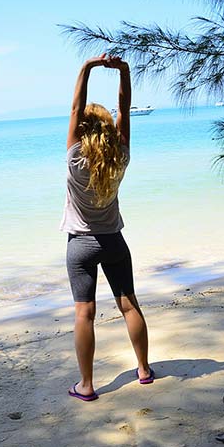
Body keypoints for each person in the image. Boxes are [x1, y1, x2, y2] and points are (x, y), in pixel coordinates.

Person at [60, 54, 154, 402]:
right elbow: (124, 109)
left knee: (85, 313)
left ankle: (86, 385)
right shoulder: (121, 157)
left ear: (81, 129)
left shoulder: (74, 159)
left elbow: (74, 108)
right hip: (113, 241)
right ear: (109, 130)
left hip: (81, 245)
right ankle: (143, 370)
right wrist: (124, 71)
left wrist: (85, 67)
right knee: (129, 305)